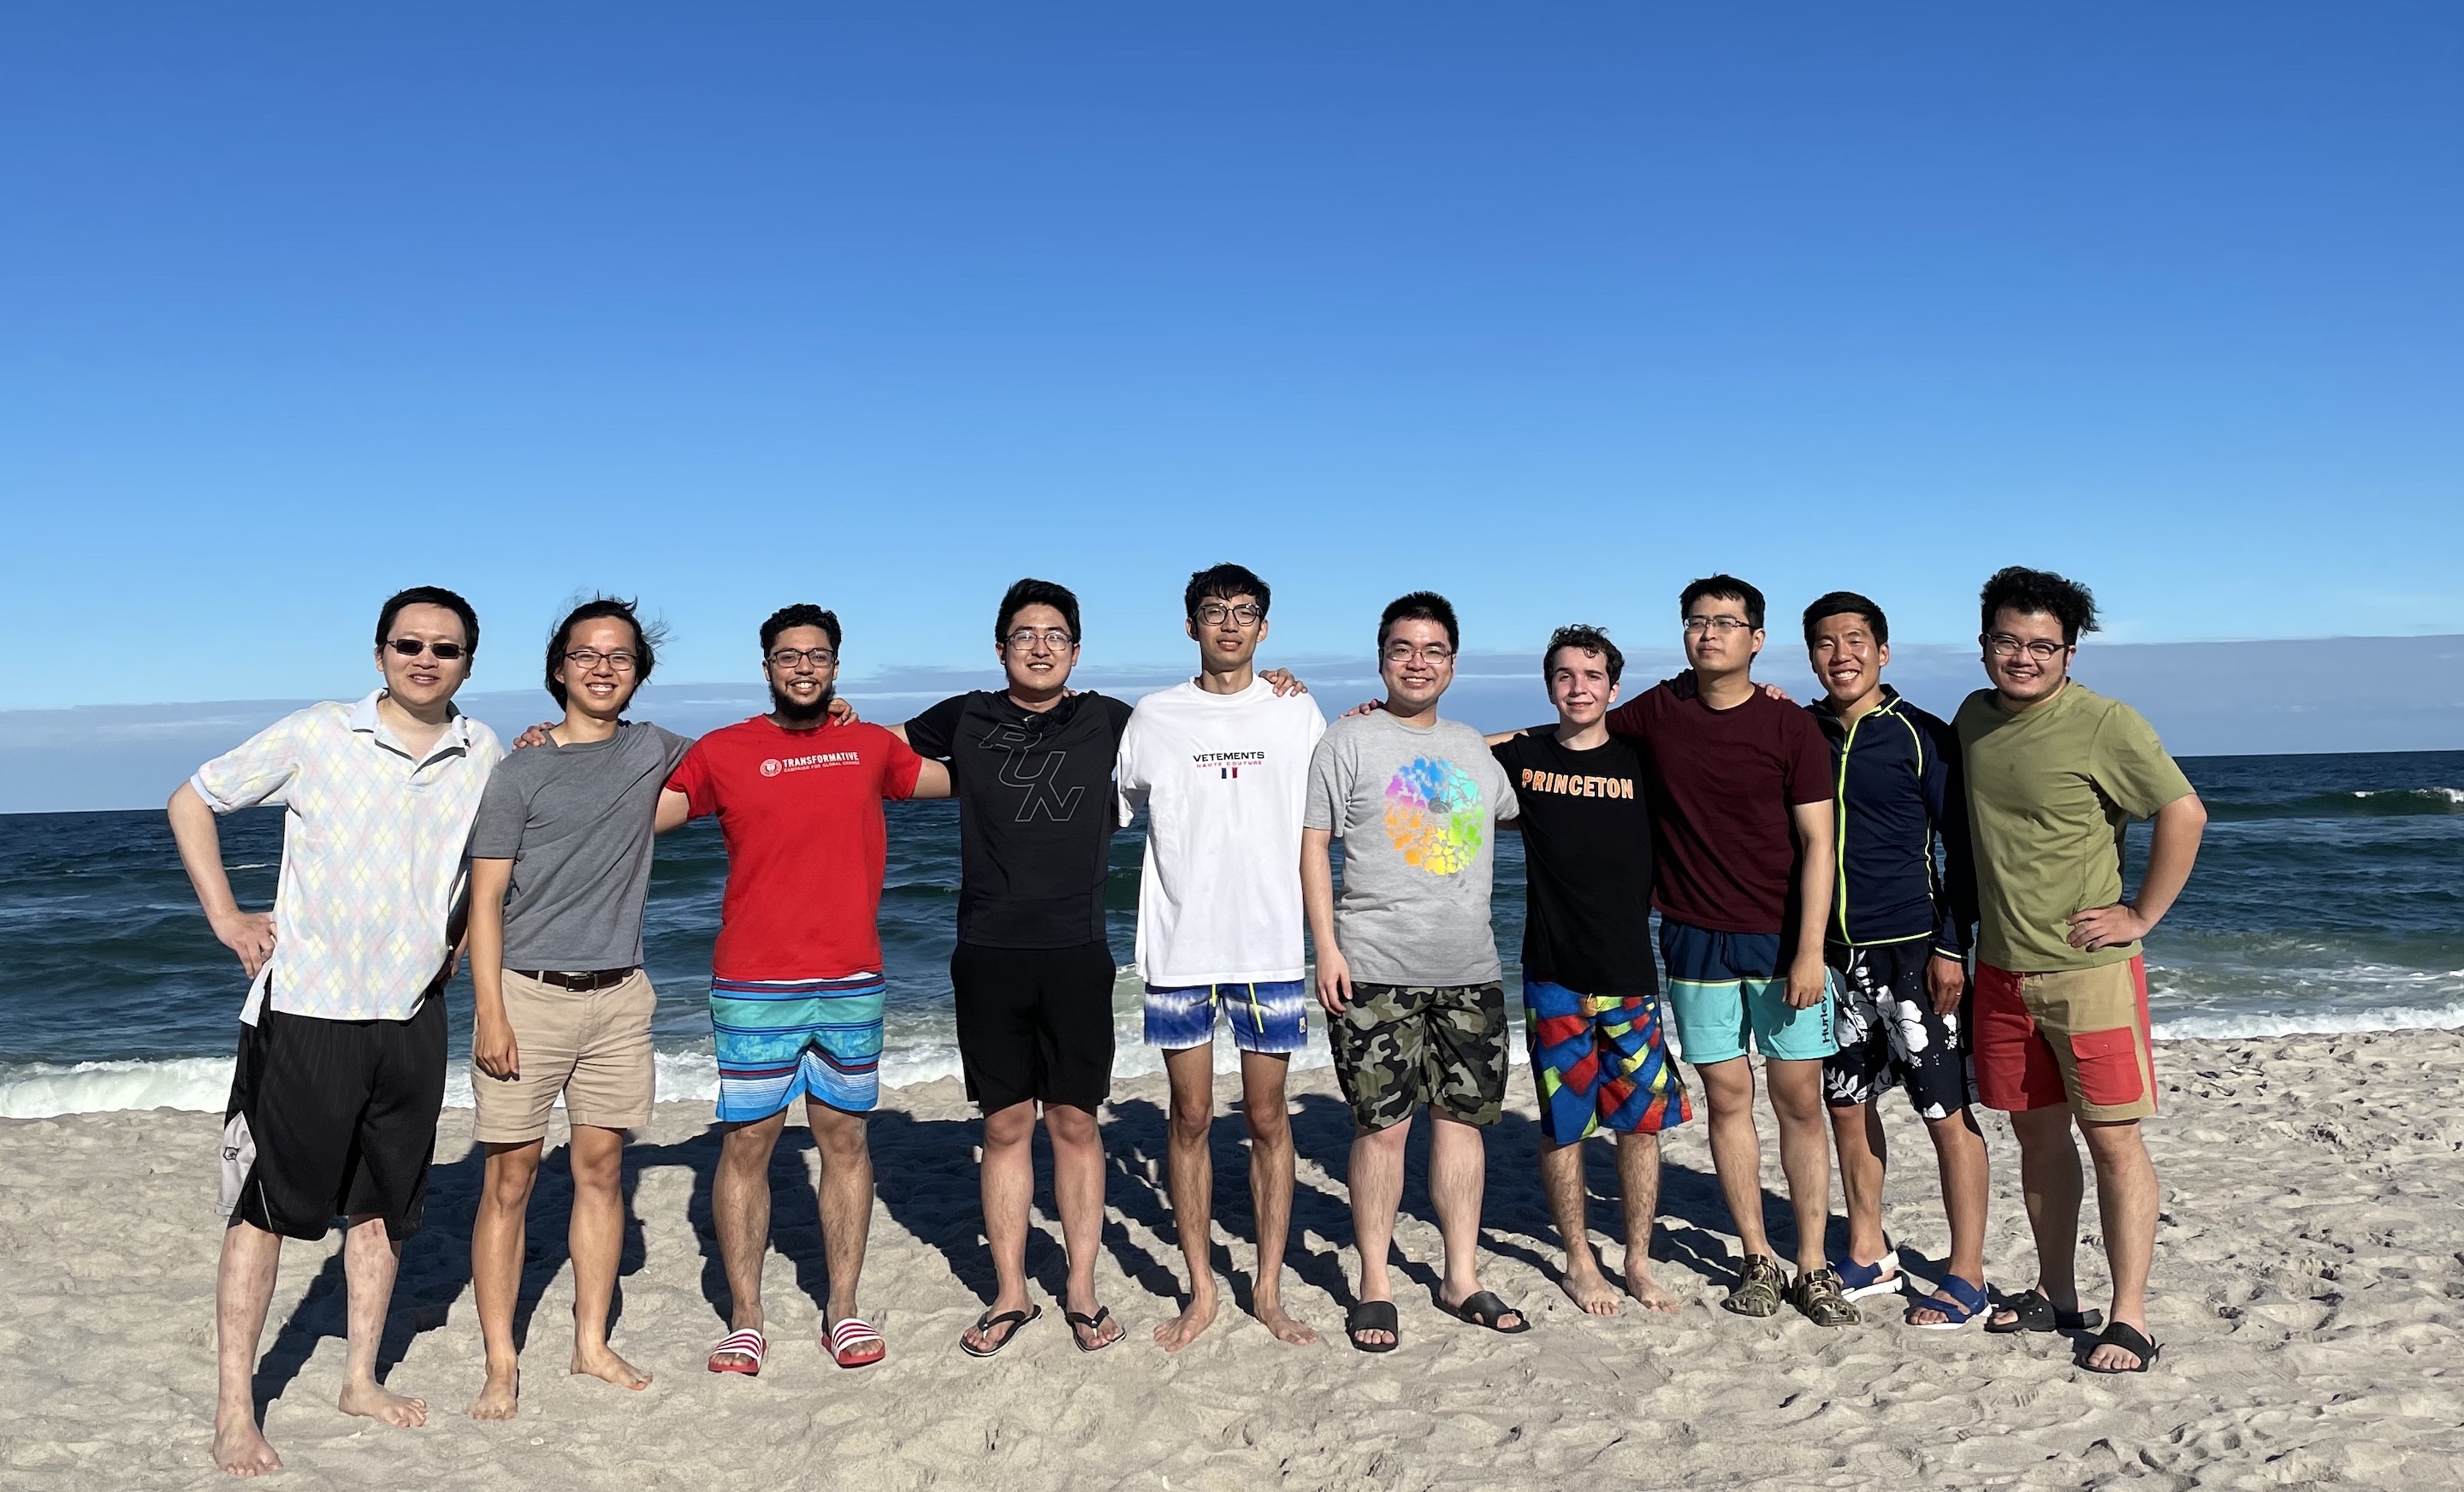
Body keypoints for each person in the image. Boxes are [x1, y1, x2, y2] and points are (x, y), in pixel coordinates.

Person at [168, 587, 503, 1477]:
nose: (425, 658)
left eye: (445, 647)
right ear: (380, 651)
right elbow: (192, 800)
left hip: (412, 1016)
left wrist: (461, 939)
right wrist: (228, 918)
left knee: (383, 1209)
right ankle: (235, 1411)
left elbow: (487, 864)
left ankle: (360, 1377)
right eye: (409, 643)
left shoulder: (484, 750)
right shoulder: (319, 732)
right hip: (308, 1011)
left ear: (469, 660)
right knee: (265, 1211)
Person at [662, 604, 949, 1376]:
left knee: (845, 1139)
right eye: (788, 656)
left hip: (852, 977)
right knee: (750, 1141)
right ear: (766, 666)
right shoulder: (724, 751)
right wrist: (551, 753)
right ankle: (746, 1318)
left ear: (835, 666)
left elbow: (972, 775)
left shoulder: (867, 747)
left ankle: (843, 1309)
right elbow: (636, 812)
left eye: (817, 656)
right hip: (754, 980)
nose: (803, 668)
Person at [1958, 567, 2206, 1373]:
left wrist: (2139, 915)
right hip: (1999, 970)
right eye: (2007, 641)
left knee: (2113, 1139)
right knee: (2036, 1137)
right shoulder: (1972, 717)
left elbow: (2184, 811)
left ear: (2068, 650)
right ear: (1985, 642)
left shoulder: (2105, 723)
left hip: (2087, 973)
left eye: (2041, 646)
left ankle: (2128, 1316)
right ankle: (2057, 1296)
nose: (2022, 658)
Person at [1602, 575, 1850, 1325]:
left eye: (1726, 623)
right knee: (1728, 1098)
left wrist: (1810, 952)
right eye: (1697, 622)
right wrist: (1438, 741)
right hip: (1693, 940)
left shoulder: (1789, 728)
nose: (1709, 634)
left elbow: (1819, 843)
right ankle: (1756, 1258)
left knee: (1799, 1101)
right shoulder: (1659, 711)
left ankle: (1813, 1265)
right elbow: (1568, 734)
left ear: (1756, 639)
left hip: (1781, 946)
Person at [463, 598, 689, 1418]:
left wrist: (826, 717)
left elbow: (740, 768)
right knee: (511, 1179)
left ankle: (590, 1342)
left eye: (620, 657)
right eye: (587, 655)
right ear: (559, 668)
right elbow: (485, 902)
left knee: (601, 1170)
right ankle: (499, 1361)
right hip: (528, 995)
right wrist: (491, 1012)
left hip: (621, 996)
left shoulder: (655, 751)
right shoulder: (521, 769)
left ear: (638, 673)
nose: (603, 668)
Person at [1305, 591, 1525, 1353]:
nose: (1418, 662)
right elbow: (1313, 845)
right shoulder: (1346, 741)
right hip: (1374, 970)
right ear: (1381, 658)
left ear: (1453, 664)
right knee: (1383, 1130)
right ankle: (1374, 1282)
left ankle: (1461, 1276)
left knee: (1463, 1126)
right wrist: (1326, 949)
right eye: (1403, 648)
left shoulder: (1474, 749)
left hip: (1470, 970)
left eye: (1433, 651)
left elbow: (1546, 757)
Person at [1116, 563, 1327, 1350]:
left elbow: (1342, 784)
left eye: (1244, 613)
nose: (1229, 624)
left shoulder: (1295, 707)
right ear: (1191, 626)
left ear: (1264, 629)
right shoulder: (1155, 716)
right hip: (1179, 948)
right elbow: (1114, 804)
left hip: (1269, 944)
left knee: (1268, 1116)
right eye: (1214, 612)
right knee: (1192, 1116)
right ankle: (1202, 1289)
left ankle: (1268, 1290)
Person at [1798, 592, 1991, 1329]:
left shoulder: (1923, 737)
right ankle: (1870, 1250)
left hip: (1914, 952)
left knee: (1944, 1110)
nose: (1841, 654)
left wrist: (1950, 945)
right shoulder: (1800, 732)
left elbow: (1962, 850)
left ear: (1883, 651)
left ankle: (1965, 1268)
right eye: (1825, 642)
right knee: (1847, 1105)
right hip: (1833, 958)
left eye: (1855, 640)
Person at [1489, 625, 1691, 1316]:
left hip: (1632, 973)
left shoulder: (1644, 759)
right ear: (1550, 687)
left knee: (1640, 1124)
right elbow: (1446, 753)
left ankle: (1637, 1259)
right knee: (1564, 1124)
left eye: (1592, 676)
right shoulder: (1527, 756)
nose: (1580, 688)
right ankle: (1579, 1260)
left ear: (1613, 687)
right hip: (1553, 975)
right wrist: (1377, 716)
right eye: (1566, 676)